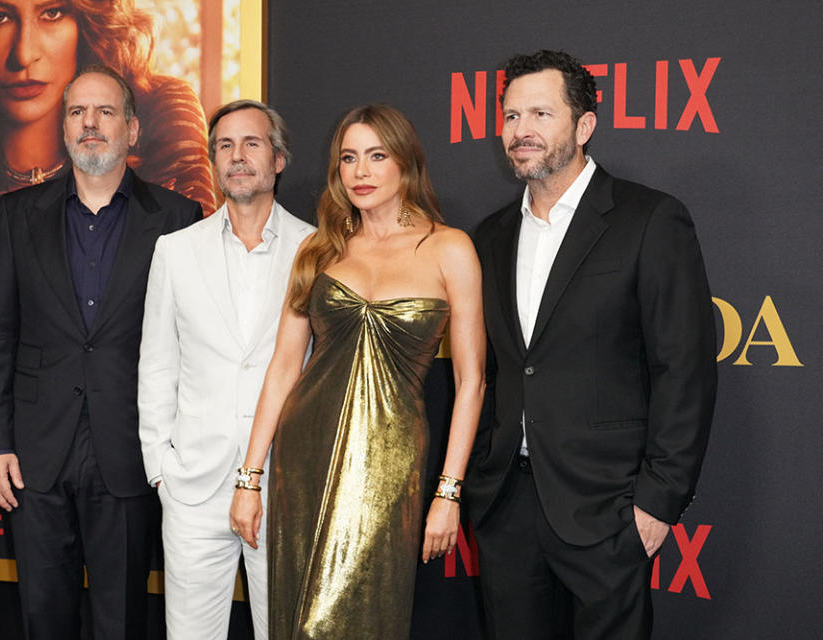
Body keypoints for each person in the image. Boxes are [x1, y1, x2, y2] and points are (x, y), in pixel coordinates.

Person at [467, 50, 718, 639]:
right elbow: (498, 371)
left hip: (609, 509)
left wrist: (657, 503)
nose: (520, 131)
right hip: (507, 507)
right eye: (509, 116)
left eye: (540, 114)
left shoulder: (649, 219)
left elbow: (684, 370)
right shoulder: (491, 236)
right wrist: (484, 480)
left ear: (584, 127)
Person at [229, 104, 485, 639]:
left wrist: (449, 492)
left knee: (364, 616)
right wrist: (250, 479)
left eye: (376, 156)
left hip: (390, 466)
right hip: (306, 454)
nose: (361, 172)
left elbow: (471, 383)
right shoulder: (320, 249)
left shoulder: (449, 248)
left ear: (406, 163)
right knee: (298, 618)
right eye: (348, 158)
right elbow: (283, 368)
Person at [0, 65, 202, 639]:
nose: (90, 123)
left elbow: (193, 343)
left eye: (104, 112)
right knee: (44, 616)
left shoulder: (177, 219)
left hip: (131, 451)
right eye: (77, 112)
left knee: (121, 619)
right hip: (34, 455)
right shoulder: (18, 214)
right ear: (64, 129)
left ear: (132, 128)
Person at [0, 0, 215, 325]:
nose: (24, 54)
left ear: (88, 21)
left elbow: (198, 293)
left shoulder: (161, 109)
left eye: (52, 13)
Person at [138, 99, 314, 639]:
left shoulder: (318, 249)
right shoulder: (175, 251)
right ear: (213, 160)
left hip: (283, 484)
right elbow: (157, 365)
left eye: (252, 143)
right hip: (193, 487)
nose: (237, 157)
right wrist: (161, 469)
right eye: (224, 146)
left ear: (278, 159)